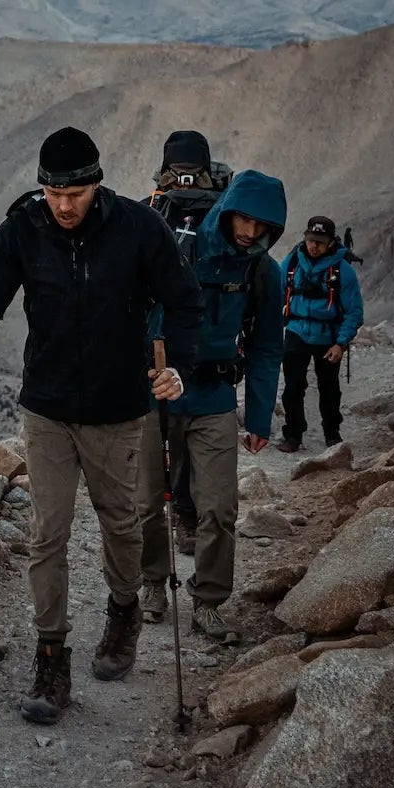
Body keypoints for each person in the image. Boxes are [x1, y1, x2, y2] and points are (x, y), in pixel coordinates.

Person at [0, 126, 202, 725]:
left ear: (97, 183)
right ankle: (51, 656)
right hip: (48, 408)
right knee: (48, 534)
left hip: (120, 409)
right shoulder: (23, 229)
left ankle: (122, 613)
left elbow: (185, 300)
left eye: (75, 193)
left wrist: (178, 370)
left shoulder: (139, 229)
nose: (63, 206)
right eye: (52, 194)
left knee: (122, 523)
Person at [134, 171, 286, 643]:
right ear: (229, 209)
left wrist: (258, 416)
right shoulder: (176, 249)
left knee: (218, 508)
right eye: (244, 219)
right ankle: (153, 585)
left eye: (261, 226)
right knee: (145, 504)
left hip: (215, 396)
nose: (249, 232)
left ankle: (210, 601)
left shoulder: (263, 270)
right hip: (156, 393)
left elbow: (265, 347)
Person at [145, 130, 233, 557]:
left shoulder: (219, 216)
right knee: (170, 437)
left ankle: (185, 512)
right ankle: (181, 514)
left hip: (196, 347)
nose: (182, 181)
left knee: (185, 439)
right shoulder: (155, 210)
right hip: (166, 346)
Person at [279, 214, 364, 452]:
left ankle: (332, 434)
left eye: (320, 241)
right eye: (311, 239)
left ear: (330, 242)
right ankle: (293, 435)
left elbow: (354, 312)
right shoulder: (292, 263)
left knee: (329, 388)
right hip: (296, 331)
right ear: (305, 238)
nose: (314, 245)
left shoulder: (343, 271)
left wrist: (341, 343)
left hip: (328, 337)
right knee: (293, 386)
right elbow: (276, 292)